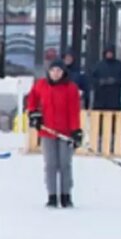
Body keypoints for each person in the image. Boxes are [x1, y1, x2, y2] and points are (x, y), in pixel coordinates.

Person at [27, 60, 83, 209]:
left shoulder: (71, 88)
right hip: (47, 131)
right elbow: (32, 100)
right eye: (53, 70)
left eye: (59, 70)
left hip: (65, 132)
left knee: (65, 164)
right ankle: (52, 196)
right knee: (50, 164)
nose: (56, 73)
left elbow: (74, 111)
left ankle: (66, 196)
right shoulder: (41, 85)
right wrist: (34, 114)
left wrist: (76, 130)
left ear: (63, 72)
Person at [89, 45, 121, 112]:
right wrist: (99, 81)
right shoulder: (98, 65)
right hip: (100, 102)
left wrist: (116, 81)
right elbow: (90, 79)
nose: (109, 54)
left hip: (114, 102)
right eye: (108, 52)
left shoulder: (120, 65)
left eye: (111, 52)